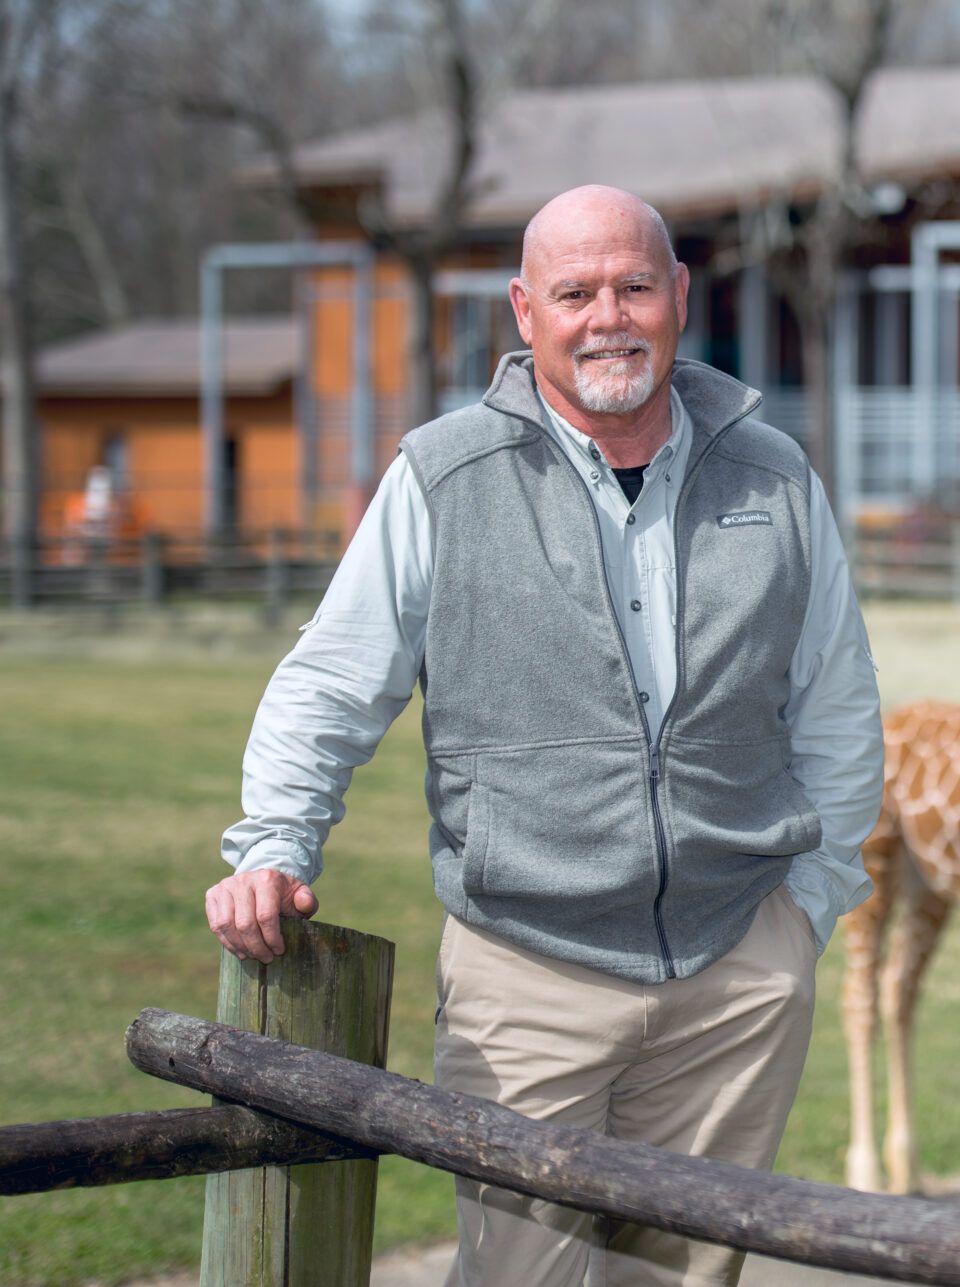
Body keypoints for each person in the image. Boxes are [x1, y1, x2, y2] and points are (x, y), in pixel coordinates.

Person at [204, 185, 885, 1286]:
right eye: (574, 292)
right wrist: (274, 844)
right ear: (527, 312)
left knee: (685, 1279)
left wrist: (801, 918)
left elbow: (839, 710)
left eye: (632, 285)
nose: (605, 315)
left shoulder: (778, 478)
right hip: (528, 976)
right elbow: (331, 682)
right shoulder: (443, 475)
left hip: (736, 974)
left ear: (679, 296)